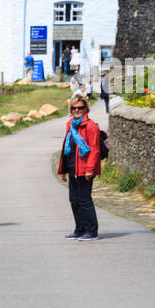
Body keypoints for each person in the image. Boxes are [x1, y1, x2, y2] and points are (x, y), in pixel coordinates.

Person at [58, 94, 102, 240]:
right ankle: (80, 229)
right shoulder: (70, 125)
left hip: (84, 168)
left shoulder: (91, 126)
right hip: (72, 168)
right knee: (74, 200)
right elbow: (66, 148)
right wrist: (63, 170)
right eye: (74, 108)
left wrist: (90, 169)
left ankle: (91, 231)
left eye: (80, 108)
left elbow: (95, 149)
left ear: (86, 109)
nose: (77, 110)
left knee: (84, 200)